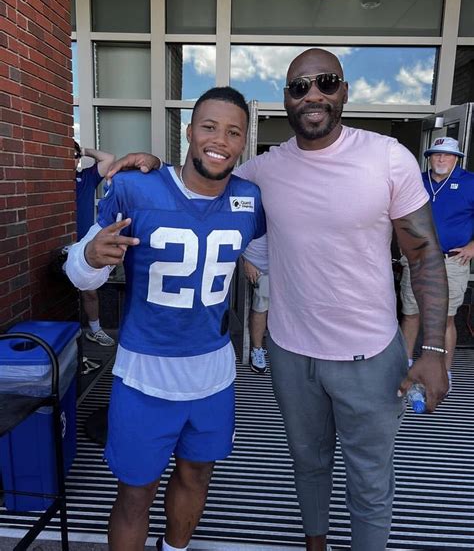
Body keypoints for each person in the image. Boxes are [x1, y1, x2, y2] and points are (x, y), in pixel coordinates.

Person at [107, 49, 449, 551]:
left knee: (370, 481)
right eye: (299, 87)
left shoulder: (387, 156)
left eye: (326, 82)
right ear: (286, 99)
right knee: (307, 466)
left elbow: (424, 254)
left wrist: (434, 349)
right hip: (292, 353)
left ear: (344, 91)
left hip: (370, 355)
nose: (313, 95)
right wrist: (150, 165)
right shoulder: (260, 174)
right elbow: (202, 177)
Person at [65, 87, 266, 551]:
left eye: (233, 132)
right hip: (145, 373)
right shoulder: (136, 186)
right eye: (209, 127)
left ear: (243, 142)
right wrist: (91, 257)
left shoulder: (250, 198)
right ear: (189, 131)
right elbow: (80, 272)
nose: (220, 140)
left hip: (213, 374)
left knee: (197, 476)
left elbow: (276, 252)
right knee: (135, 493)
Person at [400, 137, 474, 393]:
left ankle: (443, 371)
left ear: (457, 158)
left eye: (447, 154)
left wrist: (473, 246)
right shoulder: (416, 181)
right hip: (417, 260)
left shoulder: (470, 182)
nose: (441, 159)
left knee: (445, 319)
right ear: (429, 157)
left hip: (451, 261)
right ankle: (405, 368)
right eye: (436, 154)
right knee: (411, 315)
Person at [74, 140, 116, 347]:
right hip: (60, 245)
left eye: (75, 156)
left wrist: (82, 150)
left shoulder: (85, 178)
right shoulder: (51, 179)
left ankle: (95, 330)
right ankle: (70, 335)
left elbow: (109, 159)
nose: (72, 160)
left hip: (84, 246)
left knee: (89, 290)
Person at [242, 235, 269, 373]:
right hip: (262, 264)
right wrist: (246, 259)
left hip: (291, 263)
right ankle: (257, 349)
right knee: (261, 305)